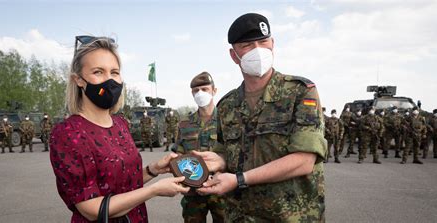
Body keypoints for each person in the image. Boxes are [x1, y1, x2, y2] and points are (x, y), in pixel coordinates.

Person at [195, 13, 326, 222]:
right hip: (239, 216)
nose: (258, 50)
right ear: (233, 55)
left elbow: (304, 160)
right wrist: (217, 160)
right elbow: (227, 153)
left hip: (290, 216)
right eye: (247, 45)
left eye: (263, 41)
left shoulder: (300, 92)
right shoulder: (227, 105)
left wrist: (239, 180)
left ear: (272, 44)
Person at [49, 36, 189, 222]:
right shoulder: (68, 133)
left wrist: (153, 169)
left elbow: (123, 183)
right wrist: (153, 191)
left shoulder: (120, 124)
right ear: (79, 80)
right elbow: (90, 208)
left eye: (114, 72)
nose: (109, 80)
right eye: (98, 72)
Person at [174, 72, 225, 223]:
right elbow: (178, 155)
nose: (200, 93)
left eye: (204, 89)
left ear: (214, 91)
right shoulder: (185, 124)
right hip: (193, 192)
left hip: (221, 190)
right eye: (196, 91)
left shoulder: (227, 121)